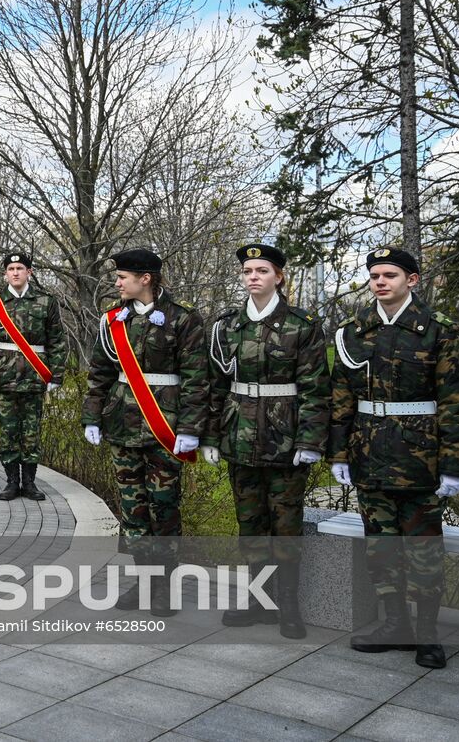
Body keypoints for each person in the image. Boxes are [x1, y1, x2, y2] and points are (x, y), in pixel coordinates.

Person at [328, 246, 459, 669]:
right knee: (381, 547)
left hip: (420, 460)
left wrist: (455, 466)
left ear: (412, 279)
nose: (379, 281)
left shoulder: (438, 331)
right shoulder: (354, 330)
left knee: (424, 551)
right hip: (369, 454)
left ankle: (428, 634)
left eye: (389, 274)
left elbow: (457, 403)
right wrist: (338, 453)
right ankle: (395, 624)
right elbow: (341, 397)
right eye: (374, 275)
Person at [204, 243, 328, 638]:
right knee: (251, 523)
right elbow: (215, 385)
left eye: (261, 270)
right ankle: (260, 600)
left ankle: (288, 605)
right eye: (247, 271)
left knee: (285, 524)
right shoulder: (227, 325)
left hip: (285, 438)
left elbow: (315, 387)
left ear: (278, 276)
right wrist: (210, 435)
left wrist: (310, 440)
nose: (252, 276)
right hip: (240, 435)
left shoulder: (302, 324)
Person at [81, 248, 207, 616]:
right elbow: (100, 374)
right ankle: (143, 582)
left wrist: (190, 428)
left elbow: (198, 380)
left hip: (164, 426)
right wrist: (92, 417)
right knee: (133, 510)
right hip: (122, 424)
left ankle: (165, 588)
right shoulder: (113, 320)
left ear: (145, 279)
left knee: (163, 508)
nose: (117, 282)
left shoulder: (183, 319)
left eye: (123, 277)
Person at [0, 252, 65, 502]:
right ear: (5, 273)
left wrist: (56, 375)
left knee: (31, 433)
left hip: (35, 377)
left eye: (20, 268)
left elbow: (57, 341)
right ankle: (12, 482)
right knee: (8, 432)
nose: (15, 272)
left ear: (30, 272)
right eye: (11, 268)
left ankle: (30, 482)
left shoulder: (46, 302)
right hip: (5, 378)